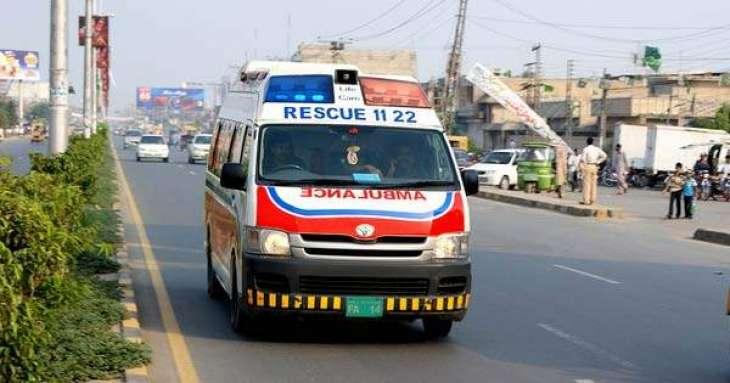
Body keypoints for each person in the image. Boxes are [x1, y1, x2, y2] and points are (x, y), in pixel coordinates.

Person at [579, 137, 607, 205]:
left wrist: (582, 167)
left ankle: (586, 200)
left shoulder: (586, 149)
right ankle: (592, 199)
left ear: (587, 142)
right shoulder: (597, 149)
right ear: (593, 142)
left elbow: (583, 159)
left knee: (587, 184)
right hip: (595, 166)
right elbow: (604, 156)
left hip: (588, 166)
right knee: (593, 184)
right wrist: (598, 162)